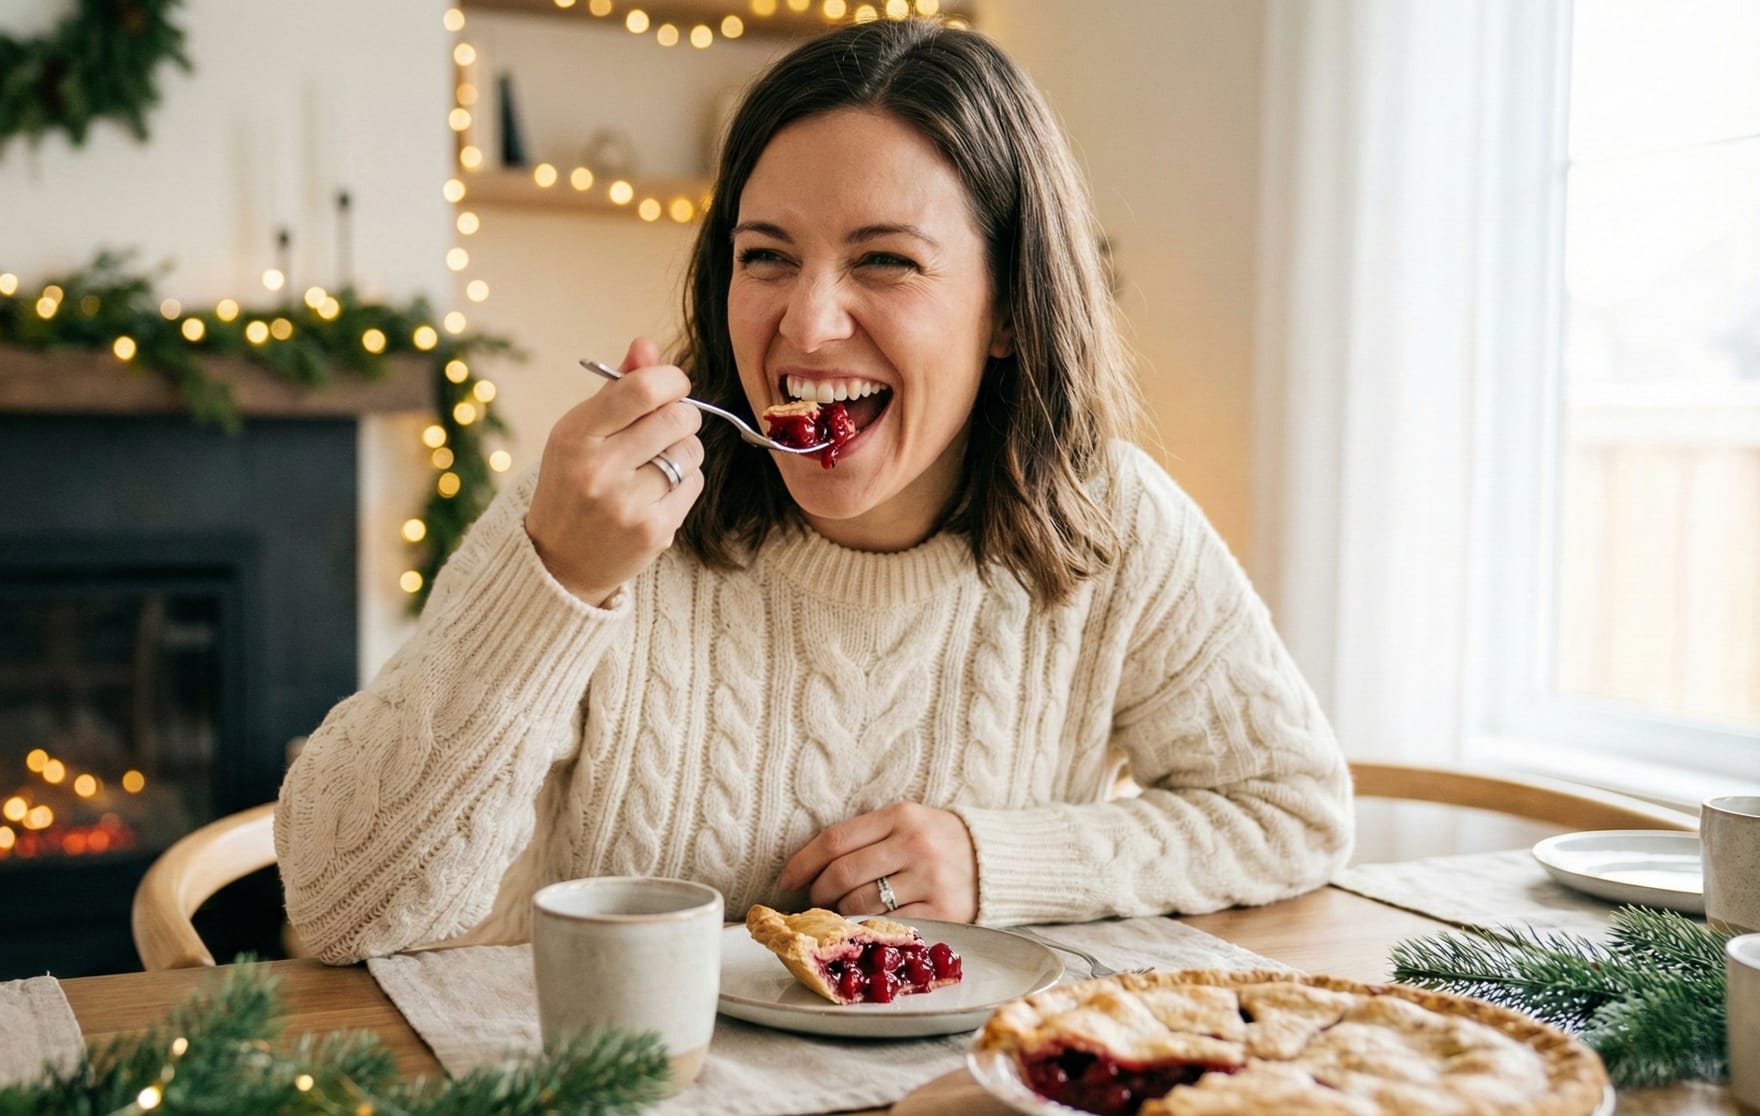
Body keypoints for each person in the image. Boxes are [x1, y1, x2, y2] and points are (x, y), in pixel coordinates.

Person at [275, 17, 1351, 964]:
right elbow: (337, 907)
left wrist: (1000, 861)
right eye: (766, 256)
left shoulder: (1111, 522)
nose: (804, 325)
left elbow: (1290, 811)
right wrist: (551, 583)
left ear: (1010, 313)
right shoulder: (595, 521)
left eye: (883, 261)